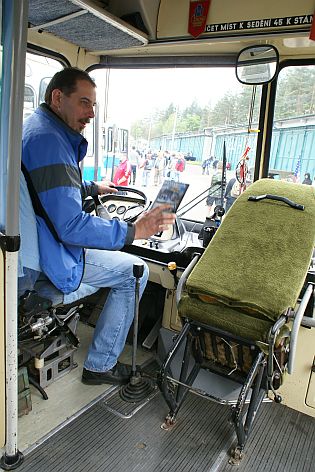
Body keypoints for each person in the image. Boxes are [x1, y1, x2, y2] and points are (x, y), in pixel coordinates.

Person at [21, 67, 176, 386]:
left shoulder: (35, 129)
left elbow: (46, 189)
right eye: (83, 103)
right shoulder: (51, 141)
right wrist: (134, 231)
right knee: (136, 271)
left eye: (93, 105)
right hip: (51, 258)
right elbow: (72, 226)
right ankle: (100, 365)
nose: (91, 113)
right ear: (57, 97)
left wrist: (91, 188)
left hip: (32, 248)